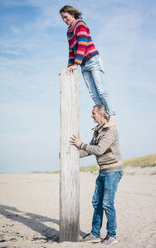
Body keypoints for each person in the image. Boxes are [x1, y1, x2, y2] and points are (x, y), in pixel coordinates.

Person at [70, 104, 123, 245]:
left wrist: (81, 144)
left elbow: (98, 150)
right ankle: (95, 233)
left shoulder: (110, 130)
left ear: (101, 114)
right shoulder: (98, 131)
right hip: (103, 171)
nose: (91, 115)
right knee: (97, 202)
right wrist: (70, 155)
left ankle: (111, 236)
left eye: (93, 113)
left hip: (113, 171)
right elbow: (89, 150)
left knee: (107, 203)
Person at [60, 5, 115, 128]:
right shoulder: (69, 31)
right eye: (62, 18)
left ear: (72, 14)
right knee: (93, 94)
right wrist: (70, 66)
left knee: (102, 91)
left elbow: (82, 44)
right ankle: (103, 119)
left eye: (65, 17)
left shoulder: (80, 24)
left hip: (93, 60)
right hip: (83, 65)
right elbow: (71, 50)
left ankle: (112, 117)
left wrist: (76, 64)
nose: (64, 20)